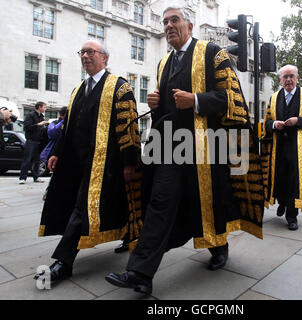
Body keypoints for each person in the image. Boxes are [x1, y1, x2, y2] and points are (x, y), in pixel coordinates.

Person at [105, 6, 264, 295]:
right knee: (160, 204)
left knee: (205, 202)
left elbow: (231, 98)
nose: (168, 26)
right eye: (165, 22)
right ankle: (140, 273)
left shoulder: (212, 52)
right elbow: (169, 109)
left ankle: (218, 245)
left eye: (174, 20)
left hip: (205, 148)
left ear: (189, 26)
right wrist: (156, 104)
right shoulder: (164, 62)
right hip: (170, 148)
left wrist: (197, 100)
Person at [34, 39, 142, 284]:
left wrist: (129, 162)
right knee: (103, 203)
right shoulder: (78, 90)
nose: (85, 56)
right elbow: (68, 128)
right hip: (77, 162)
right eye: (82, 52)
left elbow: (129, 127)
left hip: (107, 163)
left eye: (90, 52)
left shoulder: (119, 86)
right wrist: (57, 153)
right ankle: (129, 236)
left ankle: (64, 261)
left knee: (83, 207)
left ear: (104, 57)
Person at [260, 64, 302, 231]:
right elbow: (266, 122)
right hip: (278, 148)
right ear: (280, 80)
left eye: (291, 76)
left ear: (297, 78)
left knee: (294, 180)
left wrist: (298, 121)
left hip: (297, 148)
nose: (288, 80)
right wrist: (274, 124)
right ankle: (282, 203)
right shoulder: (274, 98)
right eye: (285, 77)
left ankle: (292, 215)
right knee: (279, 178)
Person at [40, 106, 67, 200]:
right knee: (55, 174)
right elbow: (52, 133)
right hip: (55, 151)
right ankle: (48, 192)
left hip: (66, 151)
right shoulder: (54, 123)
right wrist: (65, 122)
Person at [19, 102, 48, 184]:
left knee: (37, 160)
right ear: (39, 107)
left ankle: (36, 176)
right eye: (44, 107)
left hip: (39, 141)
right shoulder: (31, 115)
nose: (45, 109)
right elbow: (27, 127)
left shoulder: (41, 116)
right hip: (31, 140)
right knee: (27, 159)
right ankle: (22, 178)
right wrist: (39, 124)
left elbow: (41, 129)